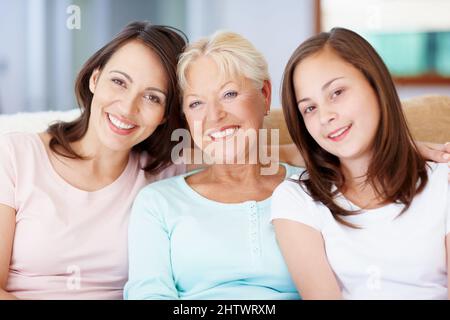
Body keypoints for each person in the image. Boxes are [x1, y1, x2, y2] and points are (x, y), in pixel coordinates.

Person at [0, 21, 187, 299]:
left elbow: (241, 143)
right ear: (95, 79)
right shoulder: (15, 155)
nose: (127, 107)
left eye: (152, 97)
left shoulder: (168, 174)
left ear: (164, 115)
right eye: (119, 82)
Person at [271, 27, 450, 300]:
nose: (325, 116)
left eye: (337, 92)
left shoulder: (443, 182)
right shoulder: (296, 198)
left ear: (375, 85)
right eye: (309, 108)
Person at [124, 31, 302, 300]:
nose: (214, 116)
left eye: (229, 94)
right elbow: (149, 294)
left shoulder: (311, 188)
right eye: (196, 103)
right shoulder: (157, 202)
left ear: (264, 95)